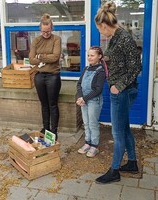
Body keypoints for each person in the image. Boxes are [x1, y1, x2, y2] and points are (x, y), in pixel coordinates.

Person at [94, 1, 141, 184]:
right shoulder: (115, 37)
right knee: (124, 128)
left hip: (122, 92)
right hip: (119, 90)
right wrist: (103, 58)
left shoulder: (125, 38)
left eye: (99, 29)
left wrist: (119, 85)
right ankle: (132, 163)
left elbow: (137, 66)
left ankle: (114, 171)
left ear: (104, 25)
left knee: (117, 133)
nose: (100, 32)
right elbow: (117, 58)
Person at [29, 13, 62, 140]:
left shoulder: (56, 39)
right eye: (43, 31)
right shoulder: (36, 40)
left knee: (53, 104)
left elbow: (56, 57)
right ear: (40, 29)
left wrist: (40, 56)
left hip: (53, 76)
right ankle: (45, 128)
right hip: (39, 76)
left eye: (48, 31)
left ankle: (54, 131)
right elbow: (31, 60)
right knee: (44, 104)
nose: (46, 34)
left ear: (51, 29)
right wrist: (44, 57)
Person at [76, 46, 106, 158]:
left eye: (92, 55)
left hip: (93, 101)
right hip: (83, 100)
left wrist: (84, 98)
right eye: (88, 55)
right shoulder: (86, 69)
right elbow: (79, 84)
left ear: (99, 56)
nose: (89, 57)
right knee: (86, 123)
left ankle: (94, 146)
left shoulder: (101, 71)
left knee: (93, 124)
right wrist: (80, 97)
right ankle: (87, 143)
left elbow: (98, 90)